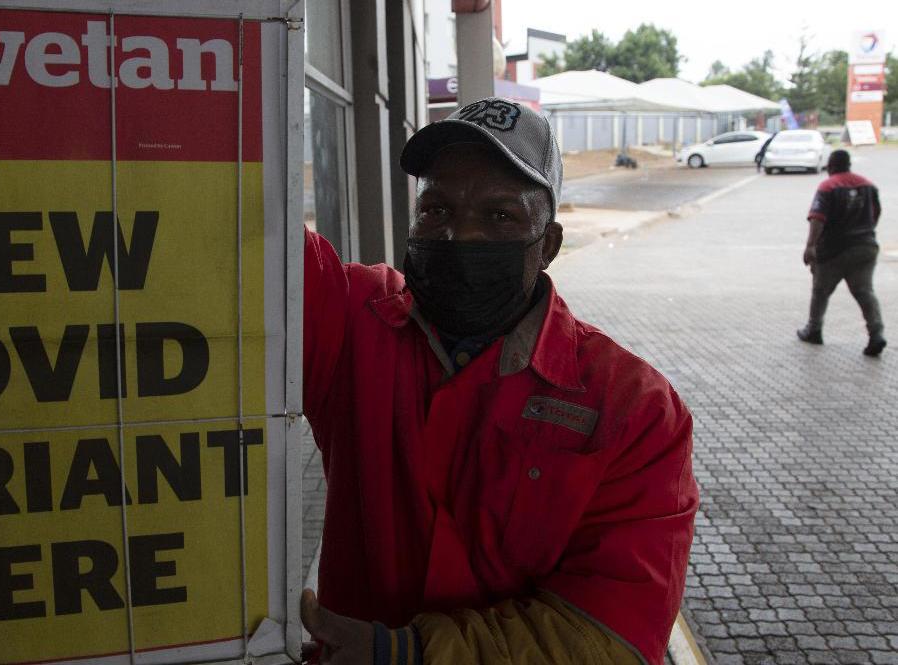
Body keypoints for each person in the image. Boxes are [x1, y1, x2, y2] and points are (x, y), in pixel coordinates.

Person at [298, 97, 698, 665]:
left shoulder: (635, 409)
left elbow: (612, 634)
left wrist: (406, 654)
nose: (460, 236)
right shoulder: (354, 321)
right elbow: (255, 243)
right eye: (436, 209)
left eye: (500, 216)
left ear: (549, 245)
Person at [797, 149, 885, 356]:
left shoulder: (828, 186)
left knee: (820, 291)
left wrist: (811, 246)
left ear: (831, 166)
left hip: (834, 250)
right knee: (864, 291)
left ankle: (814, 329)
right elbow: (876, 214)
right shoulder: (868, 185)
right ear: (848, 165)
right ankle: (876, 333)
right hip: (865, 247)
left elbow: (817, 218)